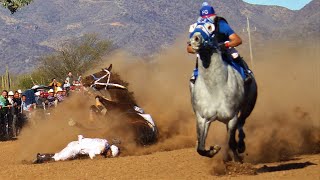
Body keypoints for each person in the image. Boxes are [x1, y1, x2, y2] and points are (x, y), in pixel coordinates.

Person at [187, 2, 252, 84]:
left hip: (223, 48)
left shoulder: (221, 24)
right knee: (199, 57)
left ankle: (245, 74)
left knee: (234, 54)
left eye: (209, 18)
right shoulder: (197, 28)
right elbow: (189, 48)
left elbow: (237, 40)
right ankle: (195, 75)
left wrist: (225, 45)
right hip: (205, 51)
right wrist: (197, 48)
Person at [34, 135, 120, 163]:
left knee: (58, 155)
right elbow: (91, 154)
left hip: (77, 144)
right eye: (110, 154)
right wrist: (97, 158)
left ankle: (42, 155)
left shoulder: (105, 142)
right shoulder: (101, 149)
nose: (108, 156)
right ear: (110, 151)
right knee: (58, 158)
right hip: (75, 148)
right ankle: (40, 158)